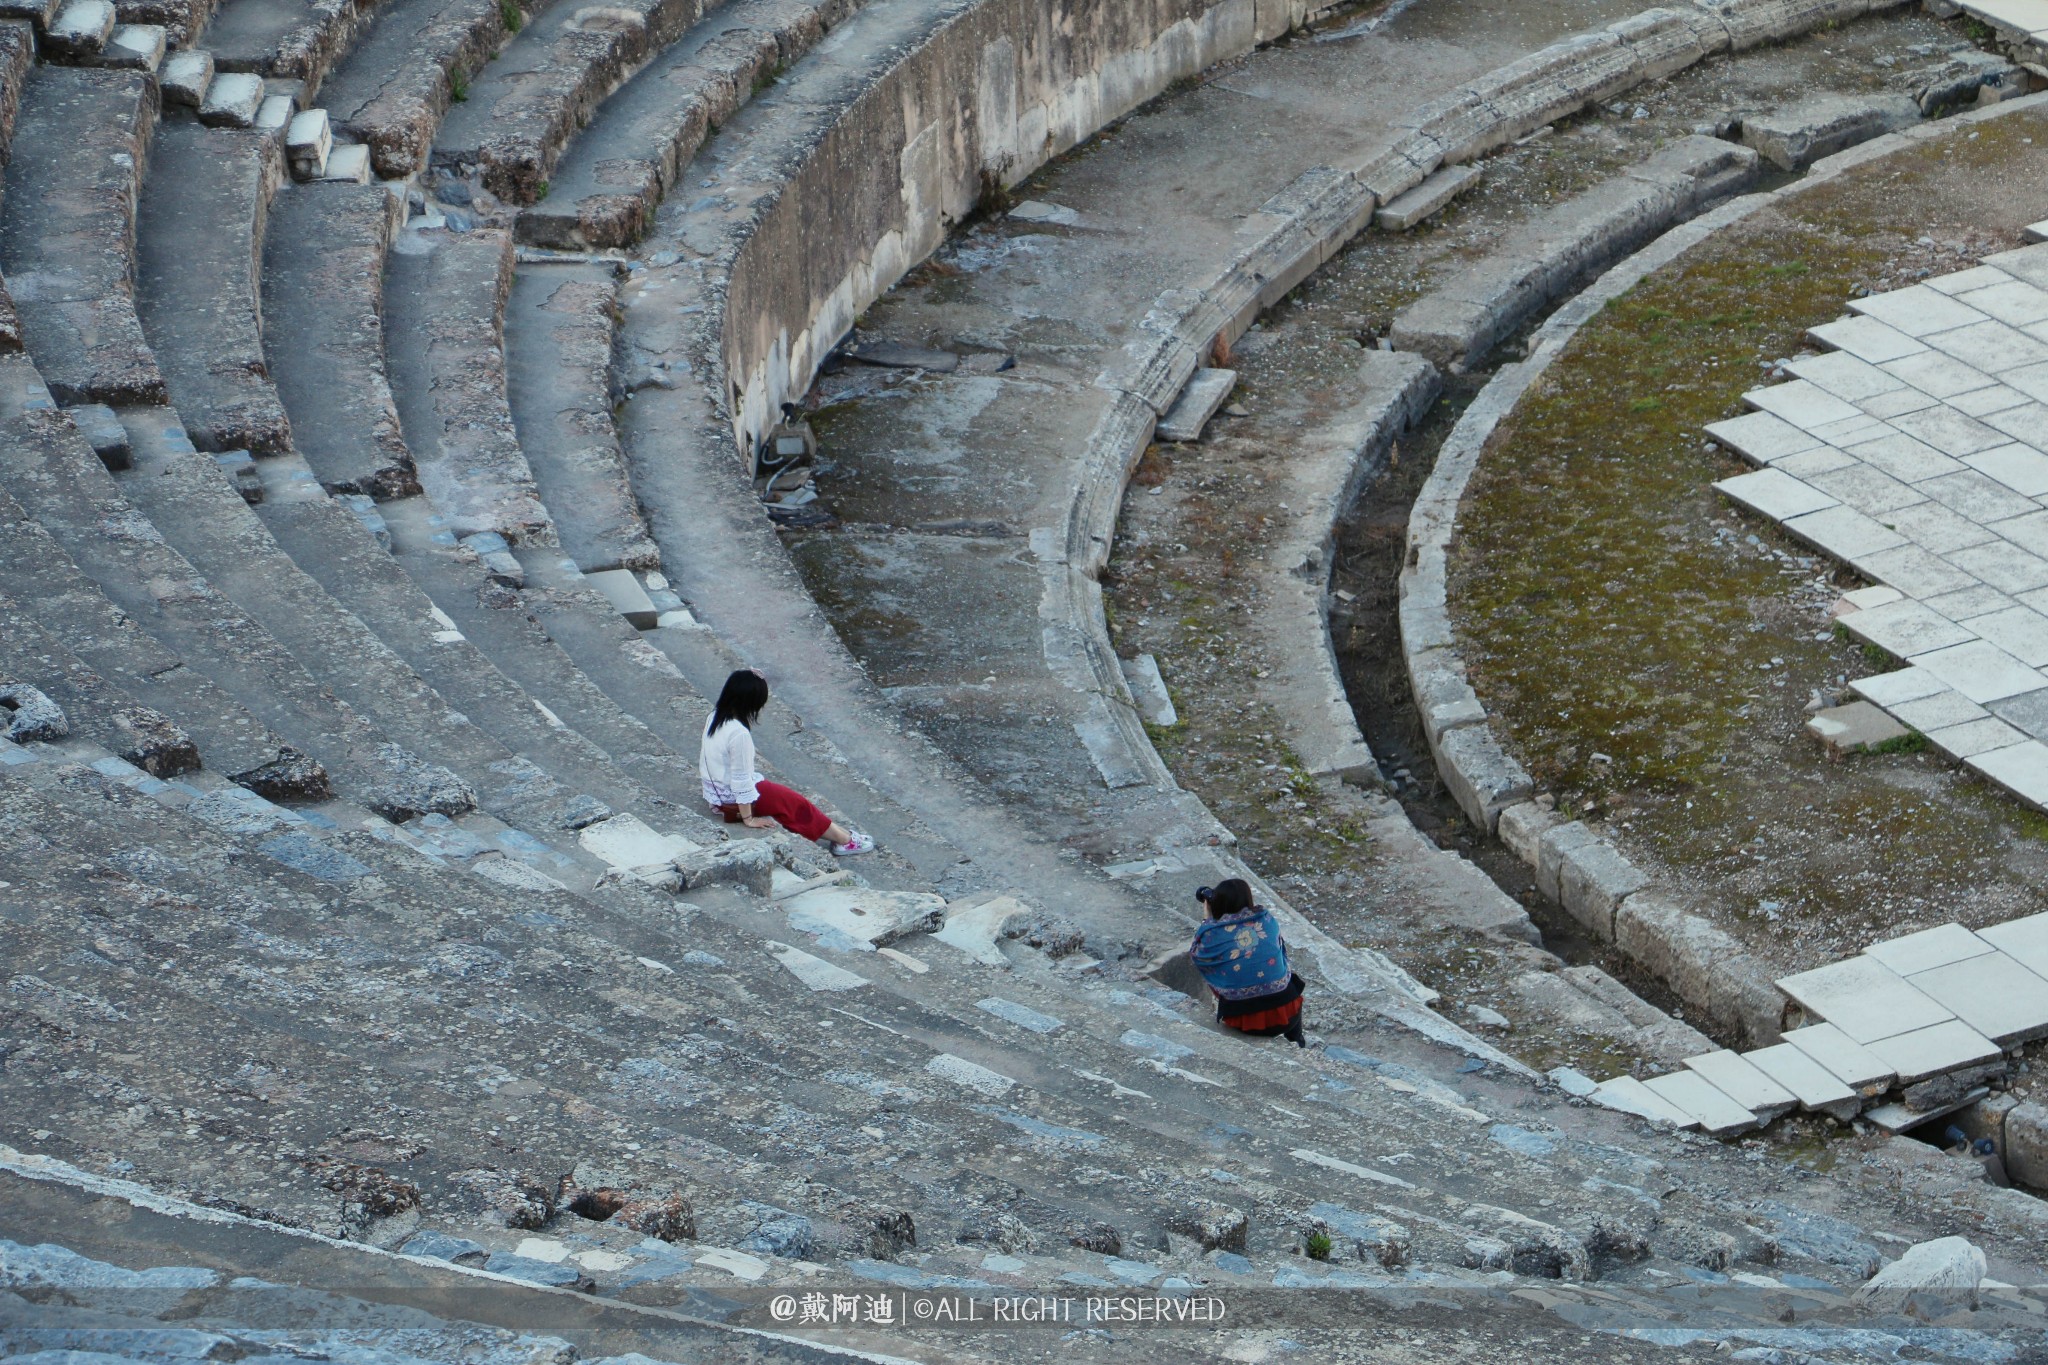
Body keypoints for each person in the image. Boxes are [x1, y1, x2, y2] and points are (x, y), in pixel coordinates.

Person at [699, 669, 874, 856]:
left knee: (789, 802)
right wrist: (748, 818)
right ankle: (845, 841)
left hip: (717, 795)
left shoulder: (715, 716)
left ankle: (843, 835)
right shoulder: (739, 734)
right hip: (732, 800)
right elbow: (741, 779)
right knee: (797, 805)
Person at [1189, 879, 1305, 1046]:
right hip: (1287, 1016)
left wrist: (1207, 921)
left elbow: (1197, 955)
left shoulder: (1211, 934)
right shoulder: (1266, 920)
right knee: (1290, 980)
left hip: (1243, 1022)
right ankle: (1297, 1040)